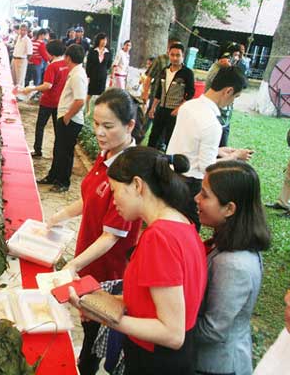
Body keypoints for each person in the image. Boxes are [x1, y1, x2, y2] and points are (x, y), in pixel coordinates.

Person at [70, 146, 207, 375]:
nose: (113, 201)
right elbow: (154, 300)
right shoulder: (181, 222)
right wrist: (103, 301)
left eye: (115, 191)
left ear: (137, 185)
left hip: (155, 362)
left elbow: (172, 334)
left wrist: (106, 319)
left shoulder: (159, 238)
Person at [47, 88, 142, 373]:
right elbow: (90, 196)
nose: (99, 132)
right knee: (88, 327)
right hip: (88, 260)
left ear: (130, 126)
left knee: (93, 339)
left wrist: (73, 265)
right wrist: (60, 216)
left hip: (106, 271)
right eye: (96, 124)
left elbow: (112, 236)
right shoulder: (107, 155)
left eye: (108, 126)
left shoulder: (129, 173)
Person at [193, 160, 271, 375]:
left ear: (229, 208)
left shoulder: (234, 264)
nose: (196, 199)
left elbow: (213, 330)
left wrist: (166, 327)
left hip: (215, 366)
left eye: (205, 195)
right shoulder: (225, 245)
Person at [167, 66, 250, 227]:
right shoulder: (212, 124)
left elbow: (188, 142)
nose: (233, 101)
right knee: (187, 230)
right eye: (235, 97)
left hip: (171, 176)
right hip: (189, 184)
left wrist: (218, 151)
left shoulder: (188, 106)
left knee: (170, 223)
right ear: (228, 91)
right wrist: (236, 156)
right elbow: (208, 167)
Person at [37, 44, 87, 193]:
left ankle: (63, 182)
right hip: (65, 117)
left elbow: (80, 100)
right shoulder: (75, 72)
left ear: (68, 58)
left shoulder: (77, 76)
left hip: (70, 120)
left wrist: (67, 117)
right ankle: (53, 176)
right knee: (59, 149)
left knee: (65, 153)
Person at [22, 40, 69, 158]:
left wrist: (32, 88)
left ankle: (38, 150)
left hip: (48, 101)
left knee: (40, 126)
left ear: (51, 53)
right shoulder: (66, 64)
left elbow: (48, 85)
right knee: (58, 129)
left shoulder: (52, 66)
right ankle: (58, 153)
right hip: (60, 102)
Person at [147, 43, 195, 151]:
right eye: (172, 55)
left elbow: (191, 93)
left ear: (183, 56)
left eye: (178, 55)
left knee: (171, 139)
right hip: (161, 108)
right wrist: (153, 107)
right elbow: (159, 90)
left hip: (175, 111)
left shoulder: (187, 73)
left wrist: (179, 108)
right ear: (168, 54)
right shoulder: (165, 70)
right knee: (154, 136)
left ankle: (169, 162)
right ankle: (149, 158)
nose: (175, 58)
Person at [86, 33, 112, 109]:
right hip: (93, 75)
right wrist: (88, 75)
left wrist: (104, 70)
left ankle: (98, 109)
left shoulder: (108, 51)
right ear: (98, 40)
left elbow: (109, 64)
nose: (104, 41)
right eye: (102, 39)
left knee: (101, 94)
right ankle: (87, 109)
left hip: (102, 75)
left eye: (106, 40)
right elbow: (88, 64)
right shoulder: (92, 50)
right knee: (90, 93)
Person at [11, 22, 33, 93]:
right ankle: (13, 94)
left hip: (21, 60)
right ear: (19, 30)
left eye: (24, 30)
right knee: (13, 78)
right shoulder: (18, 37)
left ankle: (18, 95)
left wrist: (24, 61)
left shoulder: (27, 40)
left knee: (19, 80)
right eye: (21, 30)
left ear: (27, 31)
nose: (22, 32)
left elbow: (30, 53)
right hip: (14, 59)